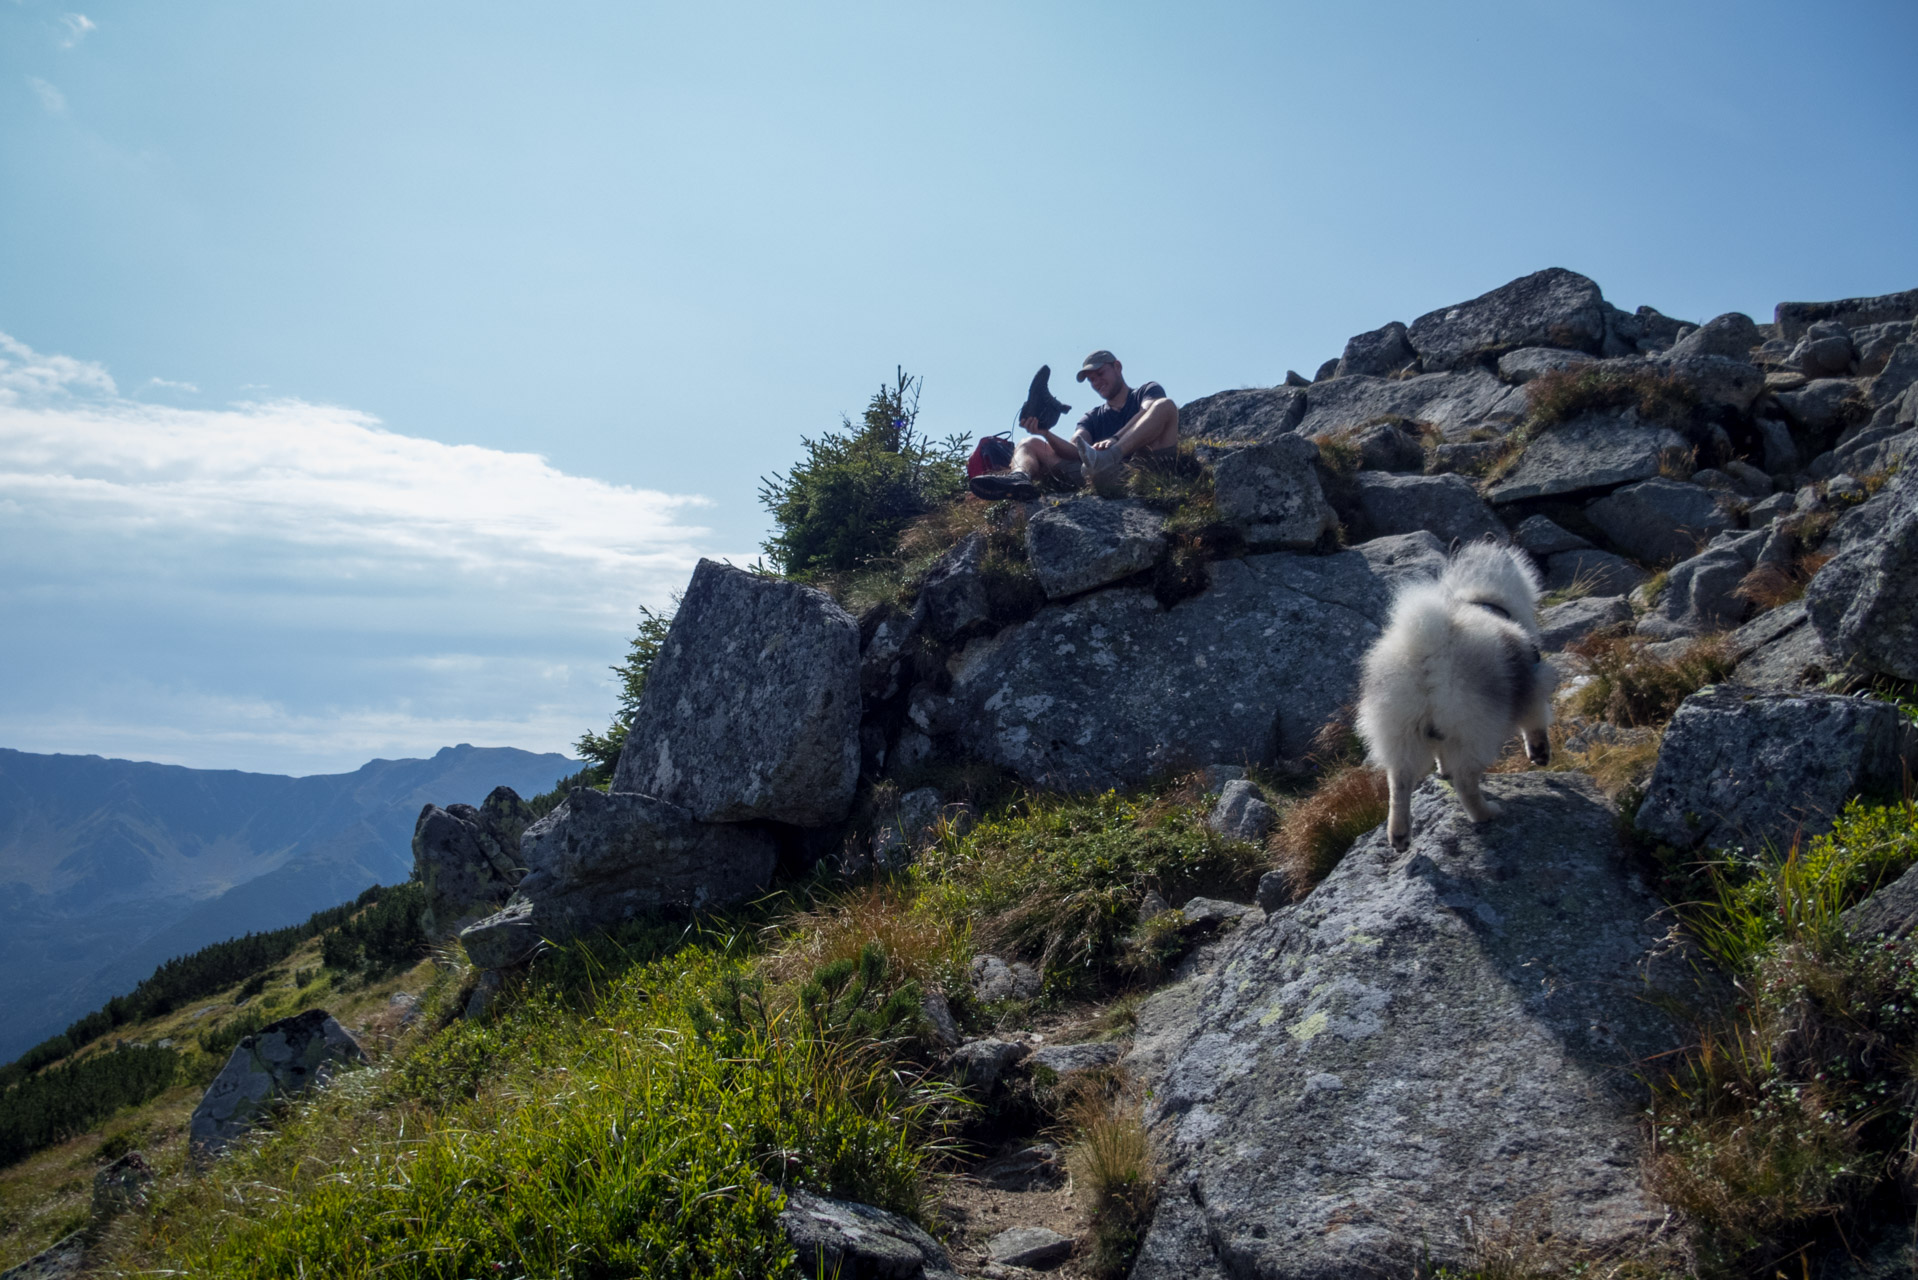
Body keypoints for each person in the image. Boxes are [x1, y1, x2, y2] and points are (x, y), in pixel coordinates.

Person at [969, 350, 1179, 500]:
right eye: (1091, 379)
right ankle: (1019, 478)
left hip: (1146, 467)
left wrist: (1114, 441)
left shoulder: (1145, 391)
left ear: (1117, 367)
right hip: (1105, 475)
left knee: (1166, 405)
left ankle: (1108, 458)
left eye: (1100, 374)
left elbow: (1148, 411)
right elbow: (1074, 450)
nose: (1096, 382)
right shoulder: (1092, 416)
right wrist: (1045, 433)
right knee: (1029, 442)